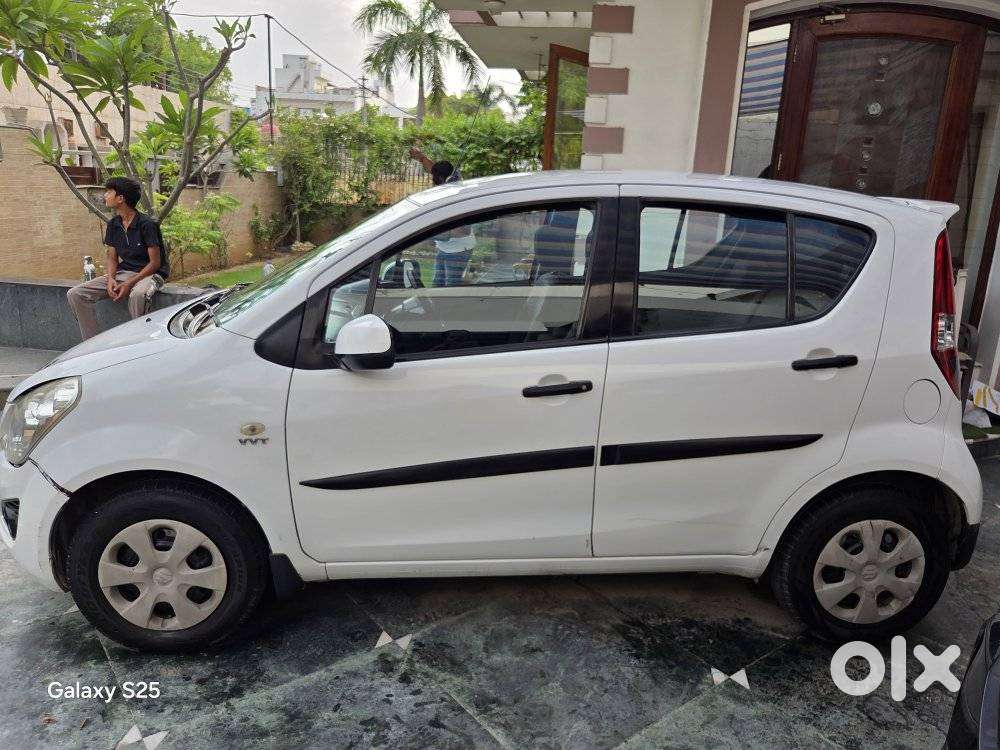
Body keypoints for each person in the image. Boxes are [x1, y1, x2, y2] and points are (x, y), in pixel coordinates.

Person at [67, 177, 169, 340]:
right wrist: (111, 280)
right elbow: (112, 258)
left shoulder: (147, 224)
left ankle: (141, 341)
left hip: (151, 274)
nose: (105, 195)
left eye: (108, 192)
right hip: (124, 272)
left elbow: (155, 263)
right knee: (76, 294)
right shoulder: (114, 224)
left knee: (138, 295)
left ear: (121, 198)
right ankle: (92, 342)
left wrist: (129, 284)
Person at [408, 147, 475, 286]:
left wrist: (430, 233)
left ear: (441, 178)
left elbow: (462, 231)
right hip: (445, 248)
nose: (432, 180)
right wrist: (421, 157)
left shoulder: (457, 197)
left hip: (458, 250)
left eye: (434, 178)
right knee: (436, 285)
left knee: (450, 288)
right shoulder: (451, 178)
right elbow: (433, 168)